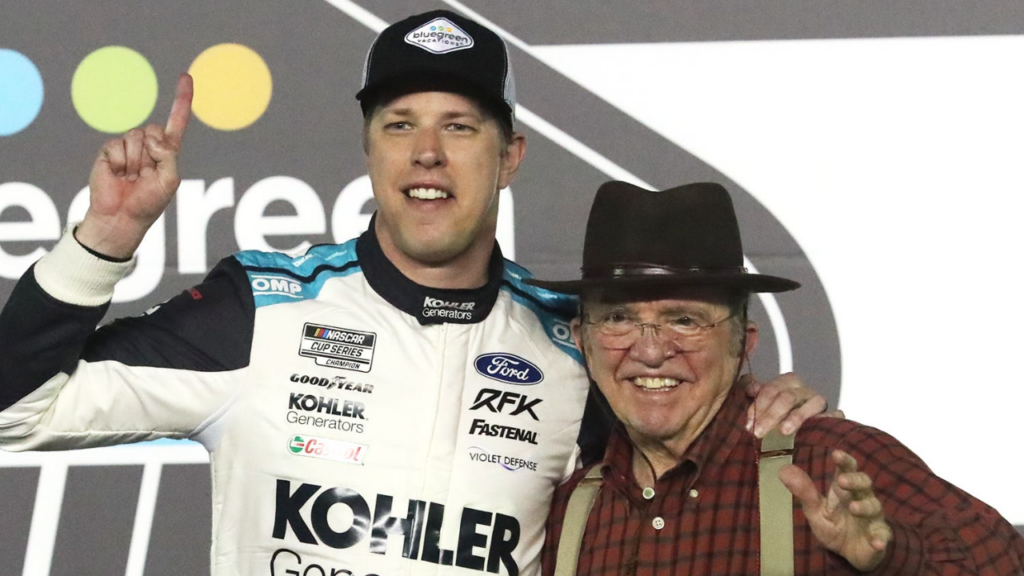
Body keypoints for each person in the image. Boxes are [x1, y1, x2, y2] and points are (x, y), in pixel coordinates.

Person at [0, 11, 826, 576]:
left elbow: (691, 488)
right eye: (400, 124)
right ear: (369, 151)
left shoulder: (576, 347)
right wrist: (103, 239)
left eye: (460, 127)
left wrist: (768, 415)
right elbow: (15, 412)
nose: (427, 152)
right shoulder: (263, 307)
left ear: (510, 158)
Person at [534, 181, 1024, 576]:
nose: (651, 351)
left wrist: (890, 560)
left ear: (743, 343)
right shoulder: (567, 511)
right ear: (582, 340)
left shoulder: (831, 462)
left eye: (685, 320)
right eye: (618, 318)